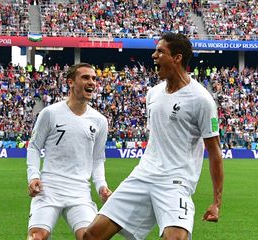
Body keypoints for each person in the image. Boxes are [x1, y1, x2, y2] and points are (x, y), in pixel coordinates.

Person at [84, 33, 224, 240]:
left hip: (175, 181)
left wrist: (216, 202)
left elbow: (214, 151)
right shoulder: (153, 94)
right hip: (144, 175)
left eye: (160, 51)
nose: (154, 55)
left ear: (177, 58)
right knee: (91, 235)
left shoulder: (201, 100)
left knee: (175, 238)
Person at [27, 63, 112, 240]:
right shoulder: (50, 113)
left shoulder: (100, 121)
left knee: (89, 237)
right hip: (49, 188)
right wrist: (33, 176)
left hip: (79, 191)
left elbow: (97, 159)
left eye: (94, 78)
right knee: (37, 236)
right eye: (86, 77)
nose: (92, 82)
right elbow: (34, 147)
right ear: (70, 82)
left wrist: (101, 186)